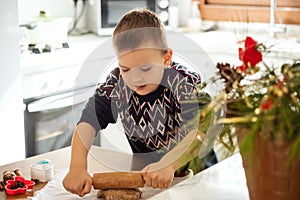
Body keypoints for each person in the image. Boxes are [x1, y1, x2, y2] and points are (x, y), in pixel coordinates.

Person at [62, 8, 217, 197]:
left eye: (145, 68)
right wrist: (77, 167)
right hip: (150, 182)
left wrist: (169, 163)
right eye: (126, 69)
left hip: (198, 180)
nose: (135, 78)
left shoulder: (182, 82)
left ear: (166, 58)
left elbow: (203, 129)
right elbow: (87, 122)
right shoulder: (118, 85)